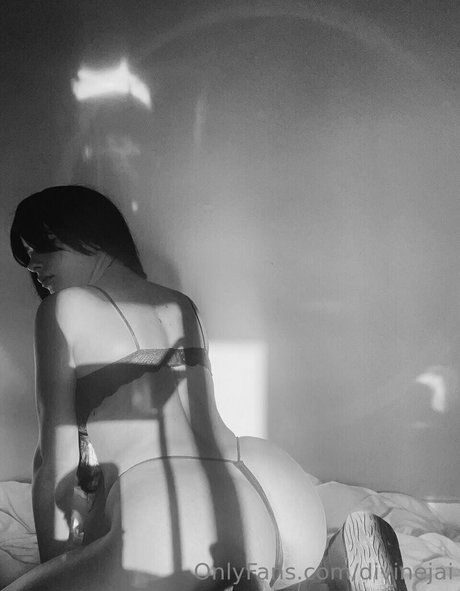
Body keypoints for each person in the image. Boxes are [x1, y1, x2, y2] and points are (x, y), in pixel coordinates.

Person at [6, 185, 406, 591]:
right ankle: (329, 570)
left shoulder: (62, 309)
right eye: (26, 256)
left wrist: (58, 564)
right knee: (242, 569)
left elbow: (55, 461)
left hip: (173, 508)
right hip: (269, 492)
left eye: (41, 246)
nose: (33, 265)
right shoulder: (182, 305)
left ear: (88, 232)